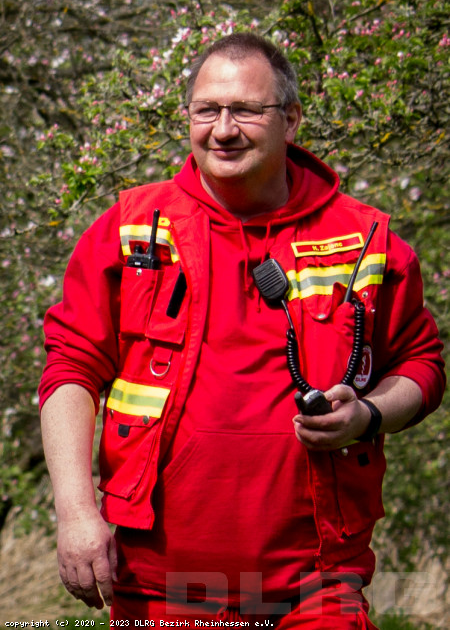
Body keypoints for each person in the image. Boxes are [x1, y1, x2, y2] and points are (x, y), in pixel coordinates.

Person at [39, 32, 445, 628]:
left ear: (292, 119)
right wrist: (74, 512)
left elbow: (422, 365)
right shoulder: (129, 229)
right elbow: (70, 369)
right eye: (207, 110)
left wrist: (369, 414)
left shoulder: (366, 240)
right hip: (159, 584)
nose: (223, 129)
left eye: (247, 110)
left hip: (317, 581)